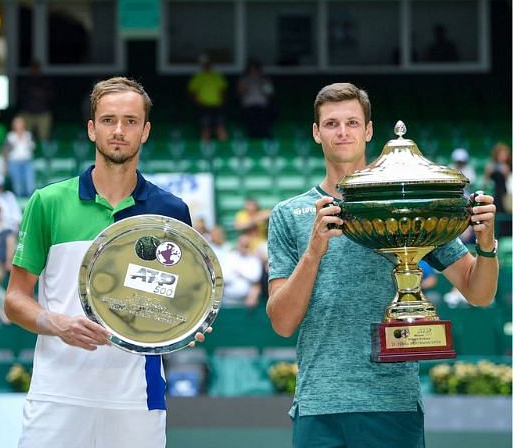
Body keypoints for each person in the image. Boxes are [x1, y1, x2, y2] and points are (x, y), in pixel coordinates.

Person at [265, 83, 499, 448]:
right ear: (316, 133)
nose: (342, 132)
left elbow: (479, 292)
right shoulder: (288, 215)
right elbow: (282, 323)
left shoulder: (409, 201)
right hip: (319, 406)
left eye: (352, 123)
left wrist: (486, 245)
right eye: (331, 124)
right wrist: (313, 252)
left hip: (394, 406)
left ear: (369, 130)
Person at [5, 77, 204, 447]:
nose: (119, 131)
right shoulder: (48, 202)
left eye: (130, 121)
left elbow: (176, 300)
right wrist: (56, 323)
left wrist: (184, 326)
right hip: (57, 392)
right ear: (92, 129)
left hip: (137, 399)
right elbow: (14, 300)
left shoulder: (171, 212)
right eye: (109, 120)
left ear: (145, 132)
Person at [188, 55, 228, 142]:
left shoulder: (217, 75)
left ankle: (226, 151)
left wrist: (222, 100)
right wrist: (197, 101)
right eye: (205, 64)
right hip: (204, 106)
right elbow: (191, 91)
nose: (207, 65)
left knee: (220, 127)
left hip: (217, 106)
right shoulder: (198, 76)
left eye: (208, 63)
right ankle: (205, 151)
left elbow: (223, 89)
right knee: (205, 128)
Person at [238, 59, 274, 139]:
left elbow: (270, 94)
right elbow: (240, 93)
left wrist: (262, 85)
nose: (253, 72)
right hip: (249, 106)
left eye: (255, 69)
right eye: (251, 70)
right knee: (251, 127)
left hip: (262, 106)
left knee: (263, 127)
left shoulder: (264, 80)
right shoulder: (244, 80)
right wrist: (245, 88)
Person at [6, 115, 36, 198]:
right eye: (17, 123)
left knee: (29, 183)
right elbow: (7, 150)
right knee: (17, 184)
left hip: (27, 161)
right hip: (14, 162)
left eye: (21, 122)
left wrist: (25, 139)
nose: (19, 125)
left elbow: (33, 147)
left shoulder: (28, 135)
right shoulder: (10, 136)